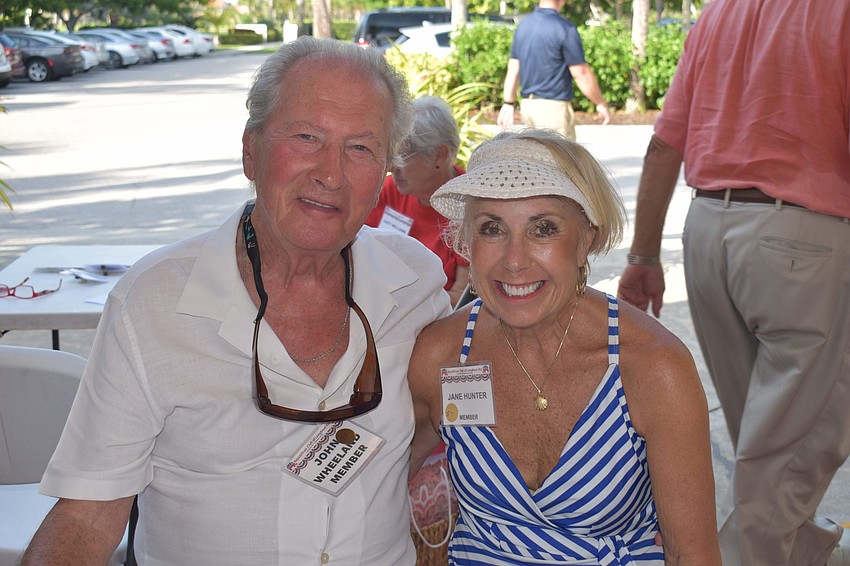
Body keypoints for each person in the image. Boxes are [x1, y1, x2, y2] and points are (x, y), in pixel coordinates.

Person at [21, 37, 452, 565]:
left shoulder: (417, 285)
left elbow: (438, 427)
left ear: (385, 171)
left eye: (360, 148)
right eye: (306, 137)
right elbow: (88, 513)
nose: (331, 173)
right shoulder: (154, 302)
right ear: (251, 150)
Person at [409, 129, 720, 564]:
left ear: (585, 239)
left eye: (543, 229)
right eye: (492, 229)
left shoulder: (650, 366)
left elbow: (693, 554)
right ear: (468, 243)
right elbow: (375, 485)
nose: (515, 261)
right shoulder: (441, 355)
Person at [616, 1, 850, 564]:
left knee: (767, 434)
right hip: (802, 237)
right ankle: (745, 555)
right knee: (801, 435)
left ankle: (802, 548)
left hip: (709, 233)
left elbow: (664, 142)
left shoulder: (720, 12)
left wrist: (645, 251)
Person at [366, 95, 470, 306]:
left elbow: (460, 299)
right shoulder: (390, 191)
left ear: (439, 155)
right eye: (391, 156)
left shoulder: (469, 208)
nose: (391, 167)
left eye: (402, 157)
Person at [496, 0, 611, 141]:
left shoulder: (524, 26)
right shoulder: (564, 28)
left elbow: (514, 69)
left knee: (535, 160)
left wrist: (508, 103)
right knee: (562, 161)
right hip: (553, 109)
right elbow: (581, 73)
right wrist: (600, 103)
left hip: (528, 106)